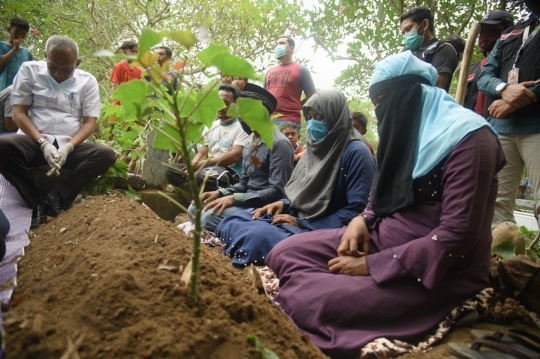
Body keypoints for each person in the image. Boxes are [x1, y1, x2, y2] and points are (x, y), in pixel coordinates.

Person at [265, 51, 505, 358]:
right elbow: (379, 194)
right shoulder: (406, 133)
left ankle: (442, 307)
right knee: (283, 251)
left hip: (438, 266)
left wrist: (372, 266)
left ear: (410, 95)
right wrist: (361, 220)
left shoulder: (471, 139)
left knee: (311, 299)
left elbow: (457, 235)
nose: (381, 113)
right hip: (380, 237)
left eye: (383, 103)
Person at [216, 90, 375, 268]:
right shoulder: (316, 147)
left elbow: (356, 209)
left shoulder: (356, 153)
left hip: (326, 226)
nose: (314, 123)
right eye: (311, 117)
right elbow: (303, 188)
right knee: (234, 221)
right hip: (297, 214)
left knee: (258, 238)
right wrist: (284, 203)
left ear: (336, 118)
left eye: (321, 118)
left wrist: (303, 223)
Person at [0, 35, 116, 216]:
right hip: (32, 143)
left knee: (105, 154)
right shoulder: (28, 70)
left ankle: (58, 195)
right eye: (53, 67)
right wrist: (42, 143)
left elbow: (89, 124)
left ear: (77, 63)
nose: (59, 74)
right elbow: (19, 114)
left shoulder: (88, 81)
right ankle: (34, 200)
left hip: (68, 146)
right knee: (2, 146)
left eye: (67, 69)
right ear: (45, 56)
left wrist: (68, 147)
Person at [187, 83, 294, 232]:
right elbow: (244, 182)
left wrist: (234, 198)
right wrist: (220, 193)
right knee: (193, 209)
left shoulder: (279, 144)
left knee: (207, 218)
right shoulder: (250, 142)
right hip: (246, 198)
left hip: (263, 205)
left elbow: (276, 191)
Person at [477, 0, 540, 230]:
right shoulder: (510, 34)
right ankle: (504, 263)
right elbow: (485, 75)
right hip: (503, 130)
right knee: (495, 205)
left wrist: (520, 97)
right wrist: (504, 90)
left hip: (536, 127)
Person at [165, 84, 249, 191]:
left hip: (230, 173)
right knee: (172, 170)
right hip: (207, 169)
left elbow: (235, 155)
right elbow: (203, 152)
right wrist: (194, 166)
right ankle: (200, 195)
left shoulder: (243, 126)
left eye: (226, 103)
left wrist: (202, 165)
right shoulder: (211, 125)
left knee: (209, 178)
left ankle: (200, 195)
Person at [464, 10, 514, 117]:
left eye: (492, 29)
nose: (485, 34)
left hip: (500, 128)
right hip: (472, 127)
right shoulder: (471, 69)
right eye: (483, 30)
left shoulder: (513, 65)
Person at [400, 6, 459, 92]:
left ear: (424, 25)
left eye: (409, 29)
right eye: (403, 32)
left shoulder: (443, 49)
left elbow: (437, 85)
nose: (406, 35)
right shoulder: (404, 53)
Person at [264, 36, 316, 129]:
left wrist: (297, 106)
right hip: (269, 120)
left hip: (290, 120)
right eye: (276, 44)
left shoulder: (301, 69)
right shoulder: (269, 71)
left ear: (291, 48)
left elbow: (311, 94)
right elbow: (264, 96)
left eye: (281, 43)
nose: (277, 46)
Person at [0, 17, 33, 92]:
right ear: (9, 29)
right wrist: (15, 49)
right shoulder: (1, 45)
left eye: (23, 34)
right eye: (17, 32)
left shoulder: (27, 53)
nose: (20, 36)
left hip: (19, 93)